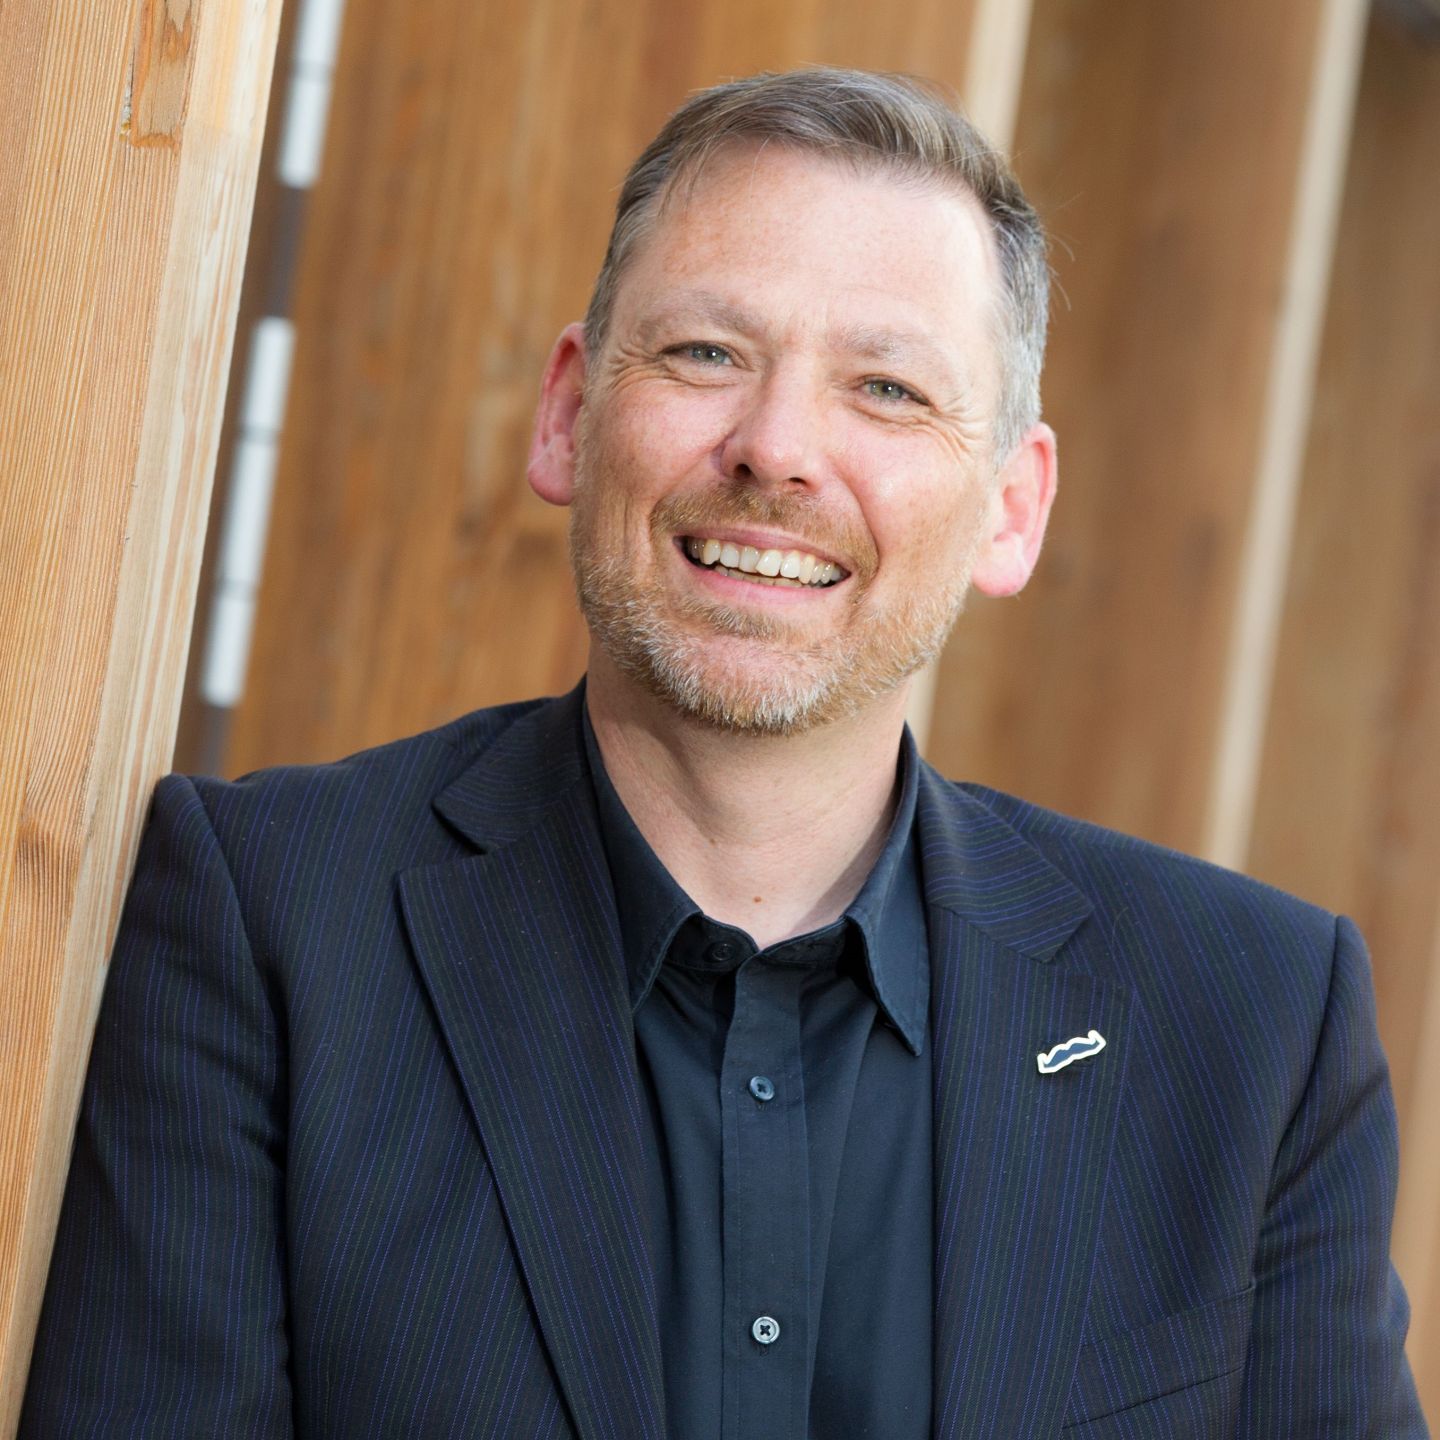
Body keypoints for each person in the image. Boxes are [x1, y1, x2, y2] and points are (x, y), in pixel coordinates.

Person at [22, 67, 1426, 1439]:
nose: (777, 449)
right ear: (572, 413)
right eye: (707, 354)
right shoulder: (266, 923)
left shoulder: (1253, 1033)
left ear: (1011, 505)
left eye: (885, 388)